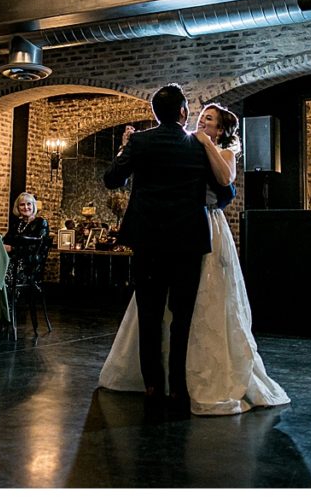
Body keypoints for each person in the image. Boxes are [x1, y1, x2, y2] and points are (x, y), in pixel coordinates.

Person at [99, 104, 291, 416]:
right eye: (201, 117)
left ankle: (188, 379)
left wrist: (204, 143)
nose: (202, 121)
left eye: (209, 120)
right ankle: (167, 381)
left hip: (208, 227)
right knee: (167, 308)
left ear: (221, 129)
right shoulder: (183, 147)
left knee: (204, 300)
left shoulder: (219, 150)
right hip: (183, 229)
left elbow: (225, 179)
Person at [102, 83, 217, 411]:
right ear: (183, 112)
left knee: (149, 315)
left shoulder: (140, 141)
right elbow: (222, 191)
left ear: (156, 113)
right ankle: (179, 387)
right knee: (183, 316)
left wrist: (124, 149)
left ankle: (152, 384)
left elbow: (112, 180)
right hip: (188, 241)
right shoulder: (198, 146)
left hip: (148, 241)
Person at [2, 192, 49, 289]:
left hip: (30, 265)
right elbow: (5, 241)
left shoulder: (41, 223)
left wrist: (12, 249)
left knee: (2, 274)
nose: (26, 207)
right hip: (12, 261)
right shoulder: (17, 224)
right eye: (22, 204)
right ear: (17, 208)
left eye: (29, 204)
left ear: (33, 206)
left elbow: (36, 247)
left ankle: (8, 303)